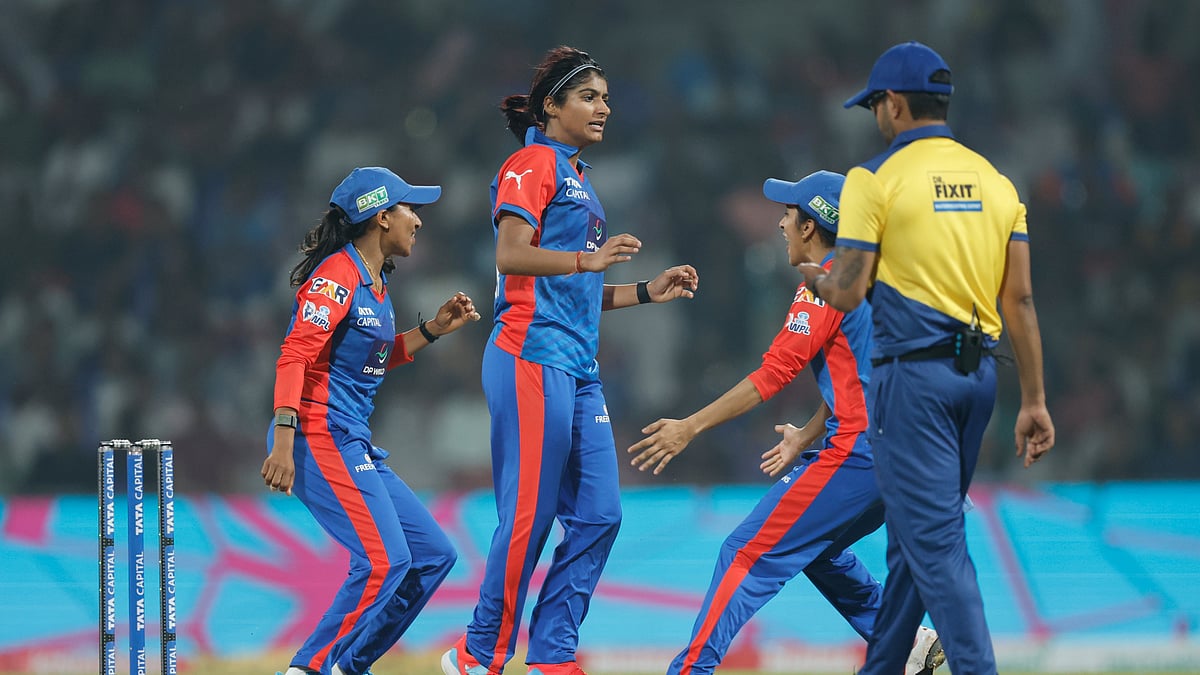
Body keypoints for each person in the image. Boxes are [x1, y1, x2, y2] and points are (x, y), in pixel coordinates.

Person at [440, 46, 700, 675]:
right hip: (528, 353)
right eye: (589, 96)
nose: (603, 107)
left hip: (577, 366)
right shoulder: (532, 162)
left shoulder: (577, 176)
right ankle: (478, 655)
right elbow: (510, 255)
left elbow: (571, 286)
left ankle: (551, 657)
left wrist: (645, 291)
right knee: (529, 514)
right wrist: (588, 260)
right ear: (550, 106)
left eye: (607, 97)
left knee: (602, 513)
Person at [799, 42, 1056, 675]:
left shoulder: (874, 180)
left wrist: (815, 277)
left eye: (875, 107)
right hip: (980, 381)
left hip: (912, 382)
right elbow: (1019, 299)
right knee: (912, 549)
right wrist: (1035, 399)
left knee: (935, 546)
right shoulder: (997, 184)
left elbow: (851, 288)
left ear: (891, 104)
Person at [627, 171, 944, 675]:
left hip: (862, 454)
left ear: (812, 227)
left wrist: (690, 426)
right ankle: (902, 640)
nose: (780, 223)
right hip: (909, 456)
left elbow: (774, 374)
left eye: (789, 214)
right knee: (819, 548)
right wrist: (808, 433)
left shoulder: (823, 287)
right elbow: (866, 376)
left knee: (743, 553)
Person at [261, 166, 482, 675]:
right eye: (411, 211)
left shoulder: (373, 279)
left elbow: (373, 357)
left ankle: (348, 667)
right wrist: (284, 439)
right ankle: (307, 669)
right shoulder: (336, 276)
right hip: (317, 432)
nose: (418, 222)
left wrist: (432, 330)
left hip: (350, 438)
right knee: (384, 562)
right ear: (382, 217)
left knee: (431, 555)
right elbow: (295, 354)